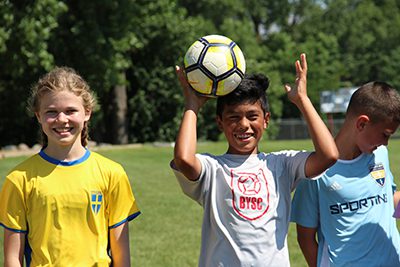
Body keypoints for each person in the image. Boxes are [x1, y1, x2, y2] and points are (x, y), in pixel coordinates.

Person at [171, 53, 338, 266]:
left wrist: (302, 100)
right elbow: (184, 159)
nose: (243, 124)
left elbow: (329, 155)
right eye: (233, 117)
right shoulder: (213, 168)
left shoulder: (281, 164)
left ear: (266, 120)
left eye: (252, 116)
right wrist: (192, 105)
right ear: (220, 123)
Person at [0, 67, 140, 266]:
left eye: (71, 111)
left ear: (87, 113)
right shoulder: (19, 179)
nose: (62, 119)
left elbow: (121, 256)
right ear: (38, 116)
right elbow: (13, 258)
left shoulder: (112, 173)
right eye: (51, 112)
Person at [291, 81, 400, 267]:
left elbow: (387, 200)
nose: (386, 143)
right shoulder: (315, 171)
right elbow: (305, 238)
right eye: (385, 135)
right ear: (362, 123)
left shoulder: (379, 155)